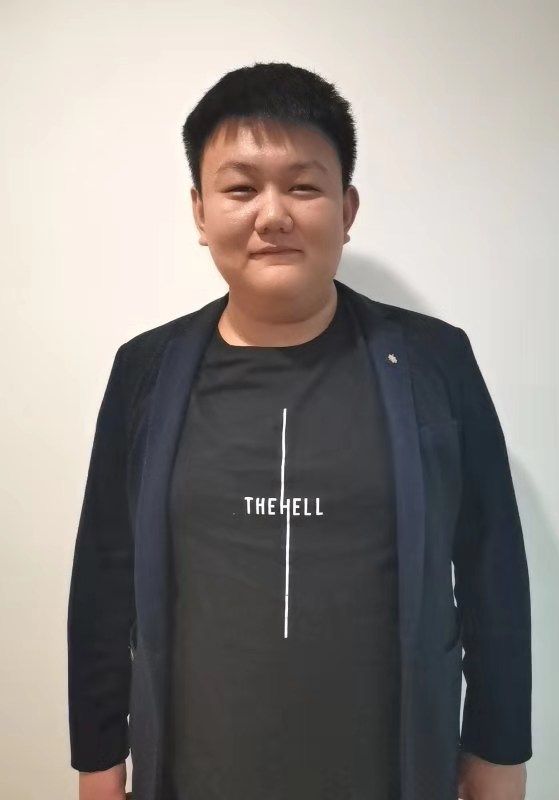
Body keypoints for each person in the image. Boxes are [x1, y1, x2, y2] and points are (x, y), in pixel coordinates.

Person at [67, 62, 532, 800]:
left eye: (304, 187)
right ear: (199, 212)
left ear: (347, 208)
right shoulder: (145, 371)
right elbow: (104, 574)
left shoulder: (434, 361)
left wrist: (499, 752)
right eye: (241, 189)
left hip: (392, 774)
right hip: (195, 776)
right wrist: (98, 761)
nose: (273, 214)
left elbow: (490, 565)